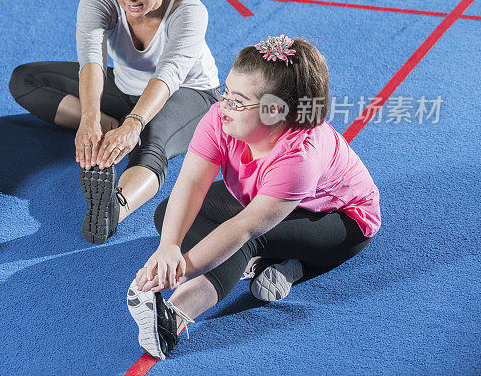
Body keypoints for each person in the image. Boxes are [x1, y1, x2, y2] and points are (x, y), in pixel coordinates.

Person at [126, 36, 381, 359]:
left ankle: (173, 318)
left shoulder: (300, 158)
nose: (224, 106)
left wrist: (174, 274)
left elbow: (244, 228)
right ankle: (279, 261)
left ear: (275, 111)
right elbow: (190, 184)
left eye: (238, 101)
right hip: (269, 202)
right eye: (226, 92)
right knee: (167, 215)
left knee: (243, 240)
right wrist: (168, 249)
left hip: (341, 222)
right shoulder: (220, 117)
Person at [9, 0, 219, 244]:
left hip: (189, 93)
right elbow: (91, 64)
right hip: (125, 87)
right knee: (27, 79)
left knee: (151, 141)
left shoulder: (189, 10)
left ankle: (114, 208)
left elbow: (169, 75)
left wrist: (134, 122)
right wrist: (90, 121)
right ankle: (112, 128)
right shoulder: (99, 0)